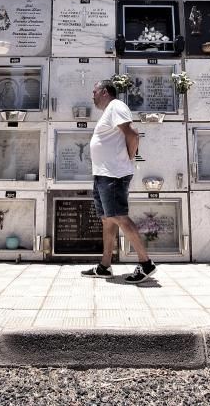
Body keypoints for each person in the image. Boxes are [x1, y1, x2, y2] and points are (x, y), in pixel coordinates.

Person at [82, 80, 156, 284]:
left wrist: (128, 158)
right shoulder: (109, 111)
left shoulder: (116, 106)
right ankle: (105, 266)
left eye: (94, 91)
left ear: (104, 92)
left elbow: (133, 134)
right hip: (103, 174)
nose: (92, 95)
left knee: (119, 216)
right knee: (108, 219)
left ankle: (146, 263)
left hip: (113, 174)